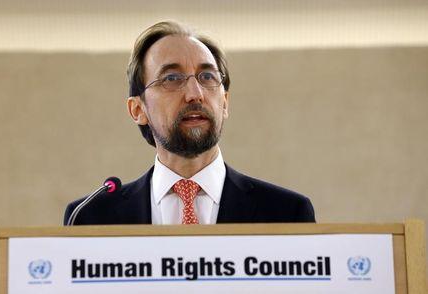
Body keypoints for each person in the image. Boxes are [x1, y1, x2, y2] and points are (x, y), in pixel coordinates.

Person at [64, 21, 315, 225]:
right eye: (172, 78)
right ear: (138, 109)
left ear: (225, 102)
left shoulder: (286, 214)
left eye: (207, 77)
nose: (195, 94)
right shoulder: (90, 217)